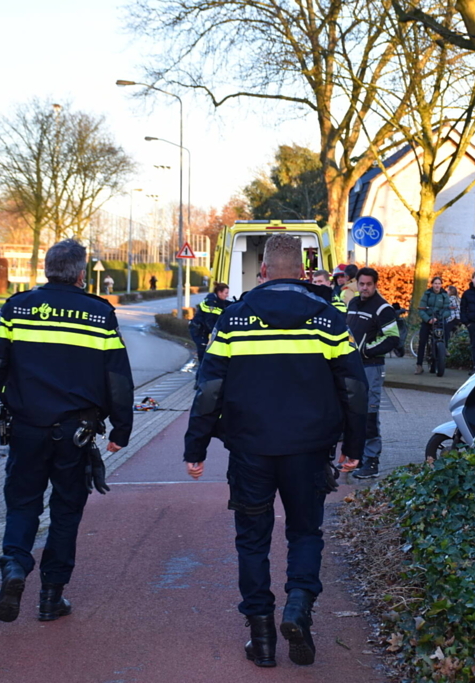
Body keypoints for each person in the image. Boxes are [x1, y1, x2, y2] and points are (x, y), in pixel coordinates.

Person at [183, 233, 366, 668]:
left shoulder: (233, 319)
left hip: (250, 450)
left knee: (252, 540)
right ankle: (299, 608)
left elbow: (209, 390)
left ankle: (262, 638)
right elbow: (355, 389)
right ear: (304, 273)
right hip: (308, 450)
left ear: (262, 272)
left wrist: (196, 446)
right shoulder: (327, 318)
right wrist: (353, 446)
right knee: (305, 533)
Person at [0, 238, 134, 623]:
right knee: (66, 510)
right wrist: (122, 428)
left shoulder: (17, 307)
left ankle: (14, 565)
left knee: (24, 502)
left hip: (25, 428)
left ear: (46, 269)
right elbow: (117, 377)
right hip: (75, 433)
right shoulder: (98, 313)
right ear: (81, 273)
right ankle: (50, 597)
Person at [346, 267, 400, 479]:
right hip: (352, 368)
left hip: (371, 368)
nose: (365, 288)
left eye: (369, 284)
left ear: (375, 284)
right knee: (354, 413)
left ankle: (372, 461)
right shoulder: (352, 303)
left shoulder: (383, 308)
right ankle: (357, 457)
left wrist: (366, 350)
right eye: (362, 284)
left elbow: (392, 337)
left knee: (369, 414)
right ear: (357, 284)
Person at [415, 276, 451, 374]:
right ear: (432, 284)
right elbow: (421, 309)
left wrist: (438, 318)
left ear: (441, 285)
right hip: (428, 320)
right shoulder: (427, 294)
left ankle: (444, 348)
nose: (437, 285)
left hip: (439, 319)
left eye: (439, 283)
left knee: (446, 328)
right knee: (422, 341)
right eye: (435, 283)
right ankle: (419, 365)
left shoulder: (444, 295)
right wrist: (428, 319)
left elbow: (448, 310)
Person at [190, 282, 230, 363]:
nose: (227, 295)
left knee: (206, 355)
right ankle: (201, 374)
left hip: (202, 331)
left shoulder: (218, 300)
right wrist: (217, 334)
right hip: (199, 331)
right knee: (203, 357)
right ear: (219, 292)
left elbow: (227, 304)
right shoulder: (211, 303)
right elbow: (209, 321)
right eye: (226, 293)